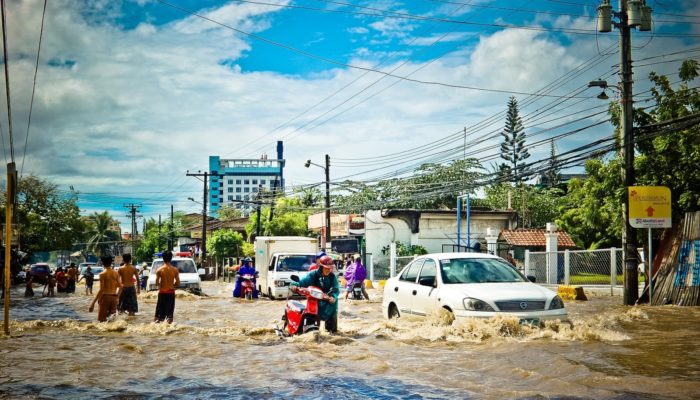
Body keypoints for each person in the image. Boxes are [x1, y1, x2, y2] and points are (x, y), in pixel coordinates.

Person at [290, 255, 339, 333]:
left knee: (332, 331)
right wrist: (295, 285)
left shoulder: (332, 277)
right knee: (311, 315)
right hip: (315, 300)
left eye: (329, 268)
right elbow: (303, 282)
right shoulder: (313, 275)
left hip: (328, 301)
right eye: (326, 268)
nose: (328, 270)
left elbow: (335, 289)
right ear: (321, 266)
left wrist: (333, 297)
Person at [89, 255, 122, 322]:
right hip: (114, 297)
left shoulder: (102, 274)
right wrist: (117, 297)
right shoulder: (116, 273)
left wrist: (93, 303)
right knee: (112, 320)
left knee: (101, 320)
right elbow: (121, 286)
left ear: (102, 263)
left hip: (105, 298)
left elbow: (101, 289)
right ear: (111, 262)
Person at [154, 250, 180, 324]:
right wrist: (172, 285)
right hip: (171, 293)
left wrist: (162, 285)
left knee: (158, 317)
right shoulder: (175, 270)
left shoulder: (159, 270)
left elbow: (156, 283)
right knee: (169, 316)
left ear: (163, 258)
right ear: (171, 258)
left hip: (162, 293)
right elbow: (178, 283)